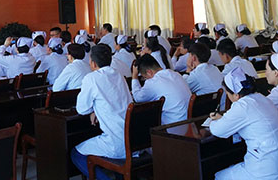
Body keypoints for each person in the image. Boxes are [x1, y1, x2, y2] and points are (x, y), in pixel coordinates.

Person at [209, 68, 278, 180]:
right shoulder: (261, 98)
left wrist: (213, 121)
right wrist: (224, 119)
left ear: (236, 95)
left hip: (265, 170)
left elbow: (217, 130)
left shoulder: (242, 105)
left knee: (219, 176)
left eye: (228, 94)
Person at [70, 45, 133, 180]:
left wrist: (92, 110)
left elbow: (81, 109)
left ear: (93, 63)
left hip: (116, 142)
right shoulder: (119, 75)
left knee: (76, 153)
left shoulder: (91, 78)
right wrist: (95, 110)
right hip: (132, 138)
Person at [131, 54, 191, 125]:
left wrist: (134, 76)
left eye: (145, 77)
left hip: (173, 126)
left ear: (149, 72)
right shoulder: (176, 74)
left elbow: (137, 98)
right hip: (190, 122)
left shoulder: (153, 82)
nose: (146, 79)